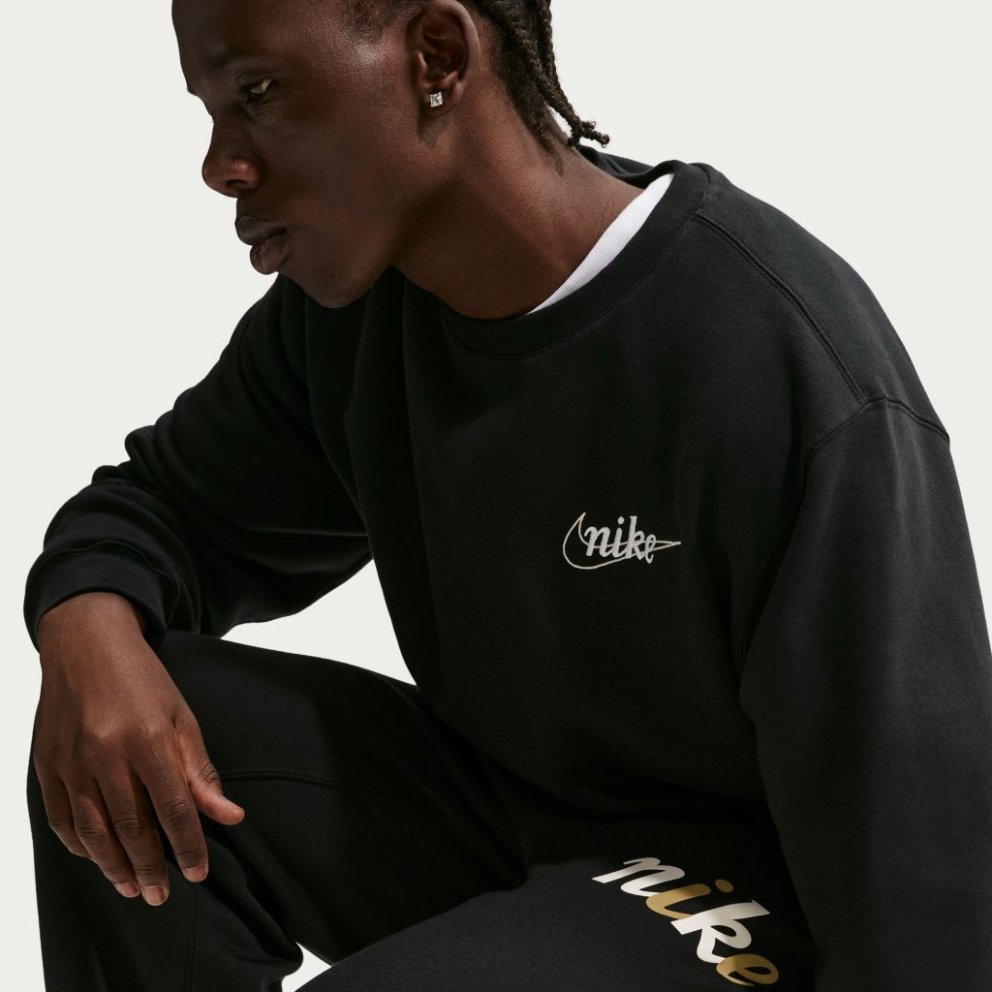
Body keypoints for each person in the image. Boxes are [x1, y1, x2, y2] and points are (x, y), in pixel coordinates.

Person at [22, 0, 992, 989]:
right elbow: (161, 511)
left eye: (258, 93)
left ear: (435, 55)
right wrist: (84, 627)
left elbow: (926, 867)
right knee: (111, 749)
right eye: (212, 111)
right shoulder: (354, 315)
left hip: (752, 901)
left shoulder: (776, 361)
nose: (220, 165)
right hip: (510, 820)